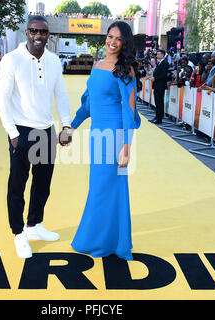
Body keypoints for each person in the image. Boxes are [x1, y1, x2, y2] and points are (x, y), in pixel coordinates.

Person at [0, 15, 72, 259]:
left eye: (43, 32)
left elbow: (60, 95)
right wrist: (12, 133)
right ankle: (19, 233)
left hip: (47, 130)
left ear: (49, 35)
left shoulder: (53, 60)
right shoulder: (12, 60)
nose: (38, 36)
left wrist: (66, 125)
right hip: (21, 131)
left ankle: (34, 225)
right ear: (26, 33)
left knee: (43, 184)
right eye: (33, 31)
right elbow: (1, 98)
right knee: (18, 184)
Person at [70, 21, 141, 261]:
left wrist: (126, 148)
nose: (112, 42)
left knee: (104, 189)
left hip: (114, 138)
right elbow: (89, 103)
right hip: (96, 136)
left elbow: (129, 112)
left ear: (125, 43)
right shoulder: (98, 65)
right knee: (100, 188)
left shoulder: (126, 70)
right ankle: (106, 239)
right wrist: (72, 126)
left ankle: (102, 241)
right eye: (109, 36)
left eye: (118, 39)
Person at [150, 49, 169, 124]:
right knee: (157, 102)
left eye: (158, 54)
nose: (157, 55)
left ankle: (159, 118)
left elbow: (164, 75)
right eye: (157, 54)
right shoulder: (159, 63)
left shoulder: (165, 63)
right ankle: (156, 116)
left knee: (160, 102)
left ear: (162, 55)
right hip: (157, 85)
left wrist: (155, 78)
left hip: (160, 85)